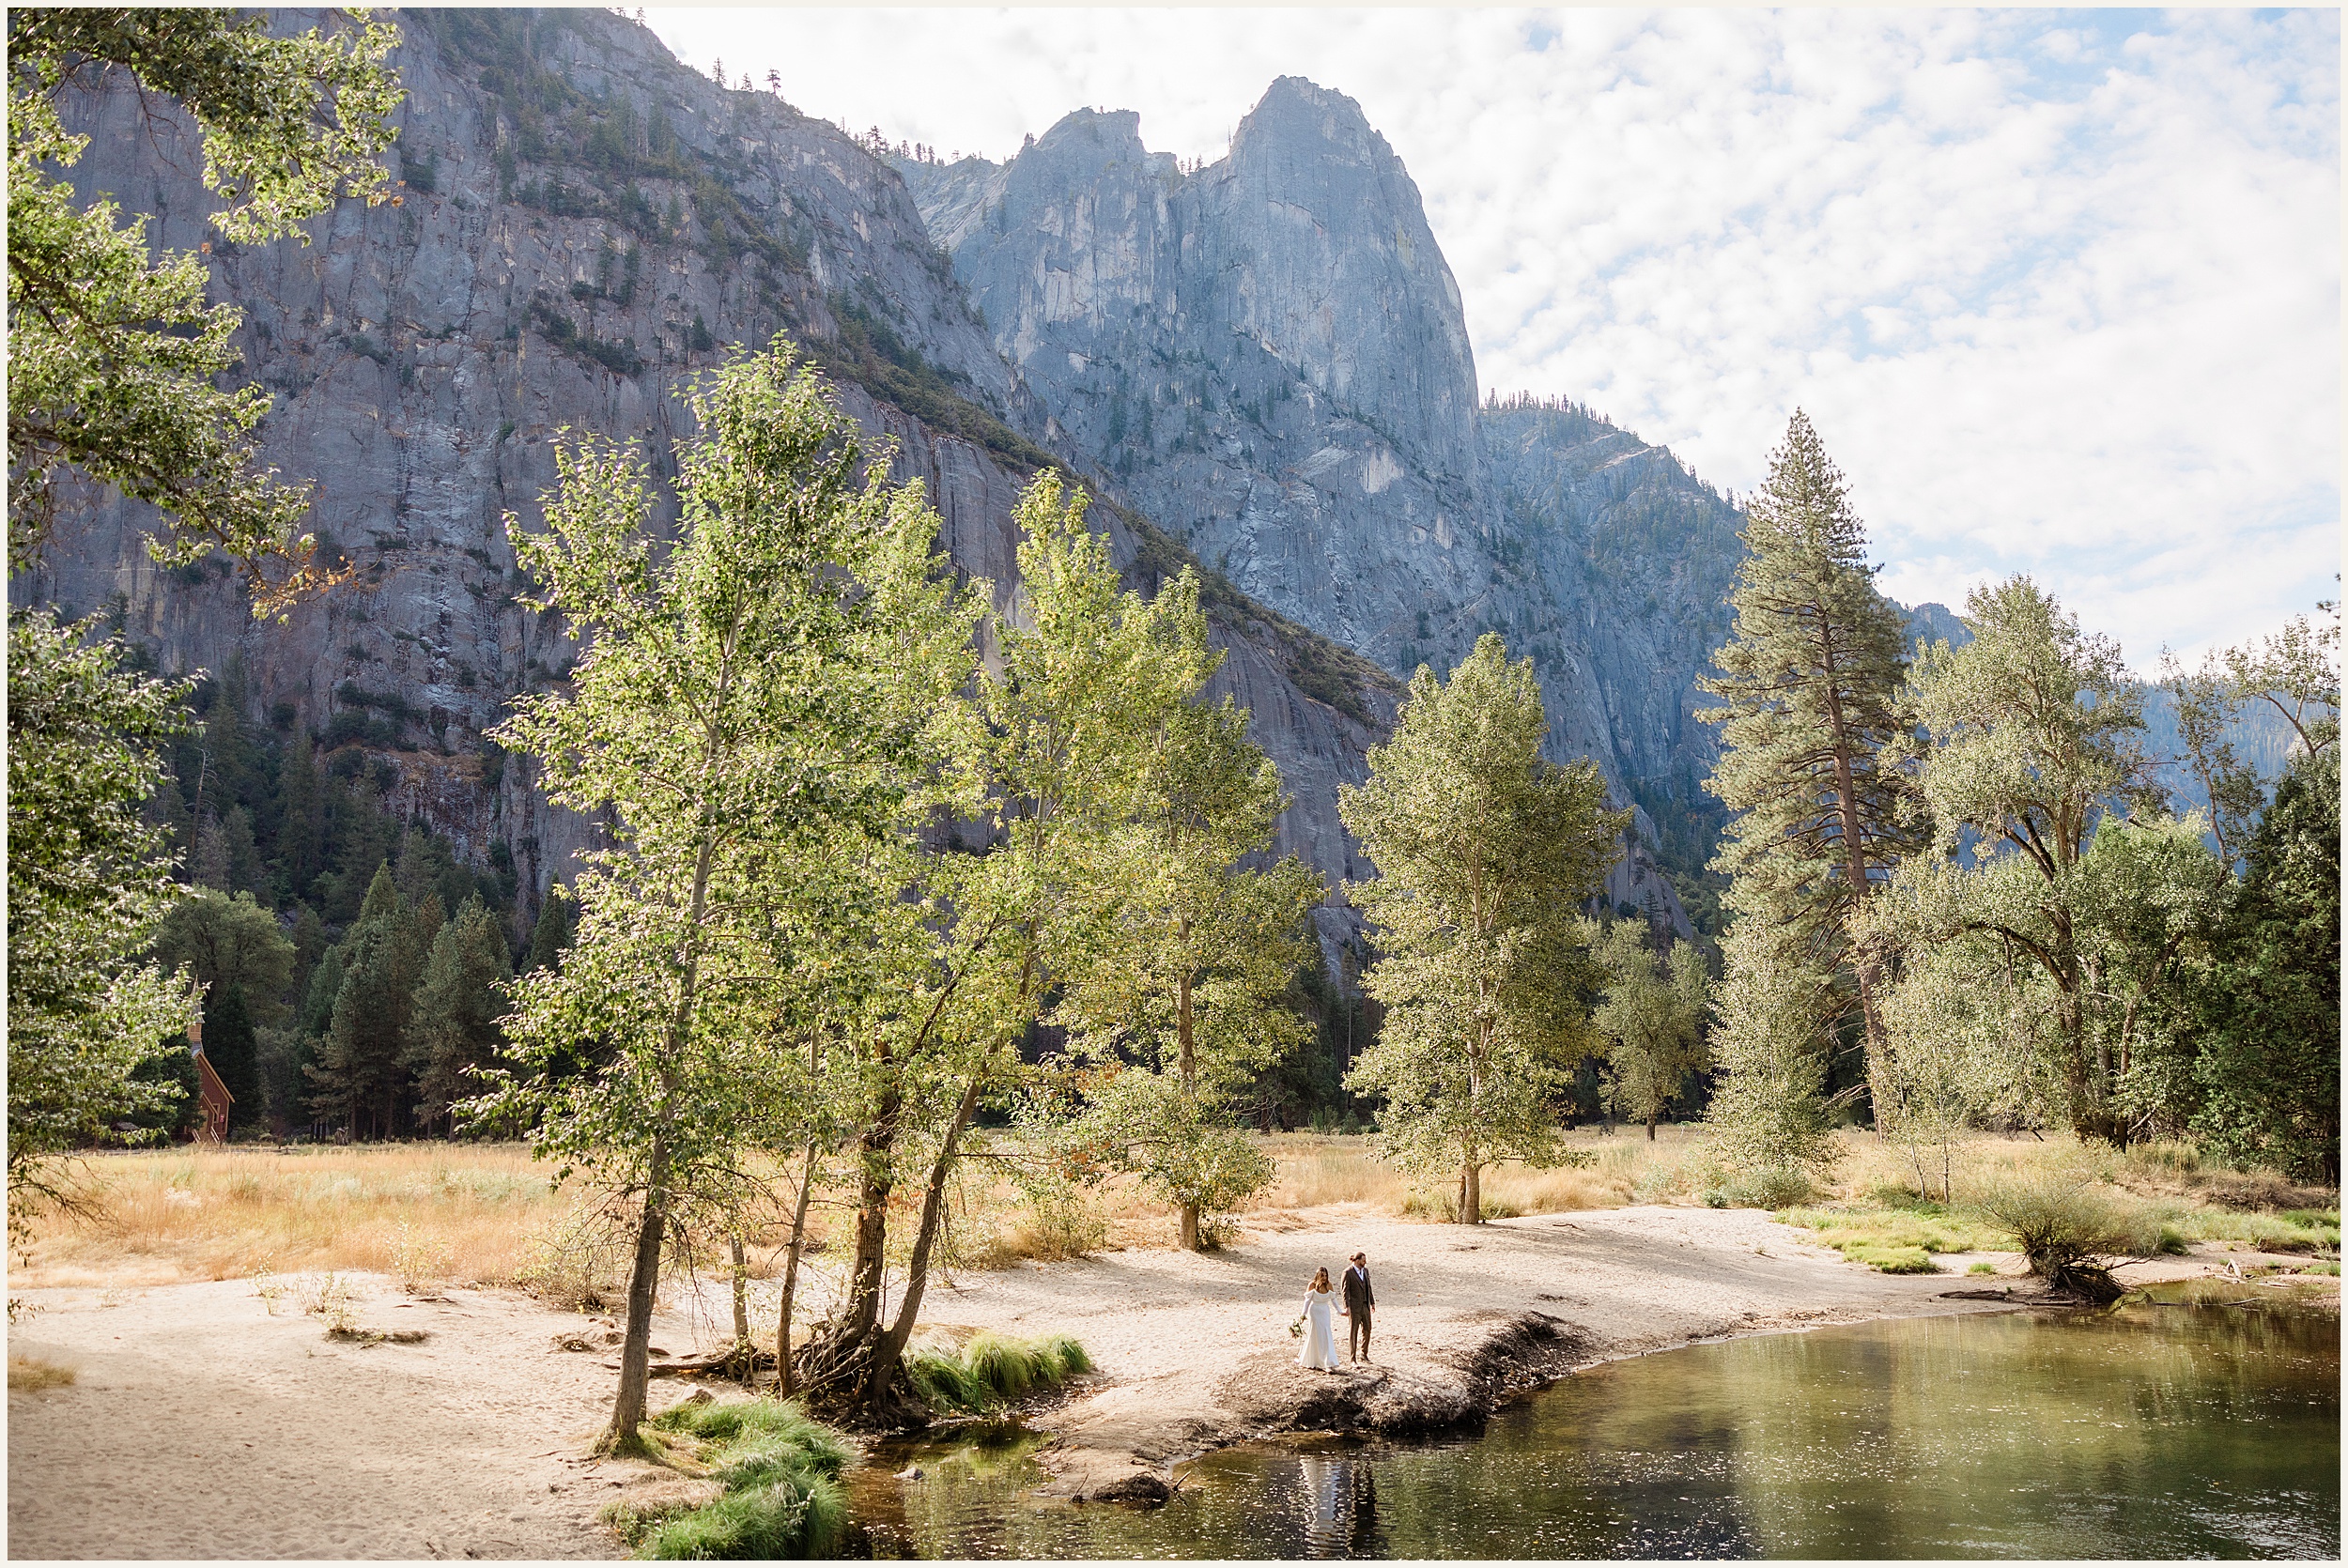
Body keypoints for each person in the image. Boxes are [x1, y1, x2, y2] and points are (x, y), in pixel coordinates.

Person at [1297, 1267, 1340, 1372]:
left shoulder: (1329, 1285)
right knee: (1316, 1334)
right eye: (1322, 1276)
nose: (1324, 1278)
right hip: (1315, 1311)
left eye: (1326, 1276)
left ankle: (1327, 1362)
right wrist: (1303, 1314)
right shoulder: (1312, 1285)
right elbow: (1307, 1301)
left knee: (1326, 1333)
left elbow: (1333, 1299)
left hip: (1325, 1311)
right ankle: (1316, 1361)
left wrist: (1339, 1311)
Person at [1340, 1251, 1374, 1363]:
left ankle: (1364, 1353)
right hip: (1354, 1307)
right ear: (1358, 1260)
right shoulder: (1348, 1272)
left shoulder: (1365, 1271)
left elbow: (1369, 1287)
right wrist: (1347, 1306)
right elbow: (1345, 1291)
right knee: (1353, 1332)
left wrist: (1372, 1302)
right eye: (1364, 1260)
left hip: (1365, 1305)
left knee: (1368, 1329)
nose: (1365, 1262)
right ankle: (1352, 1358)